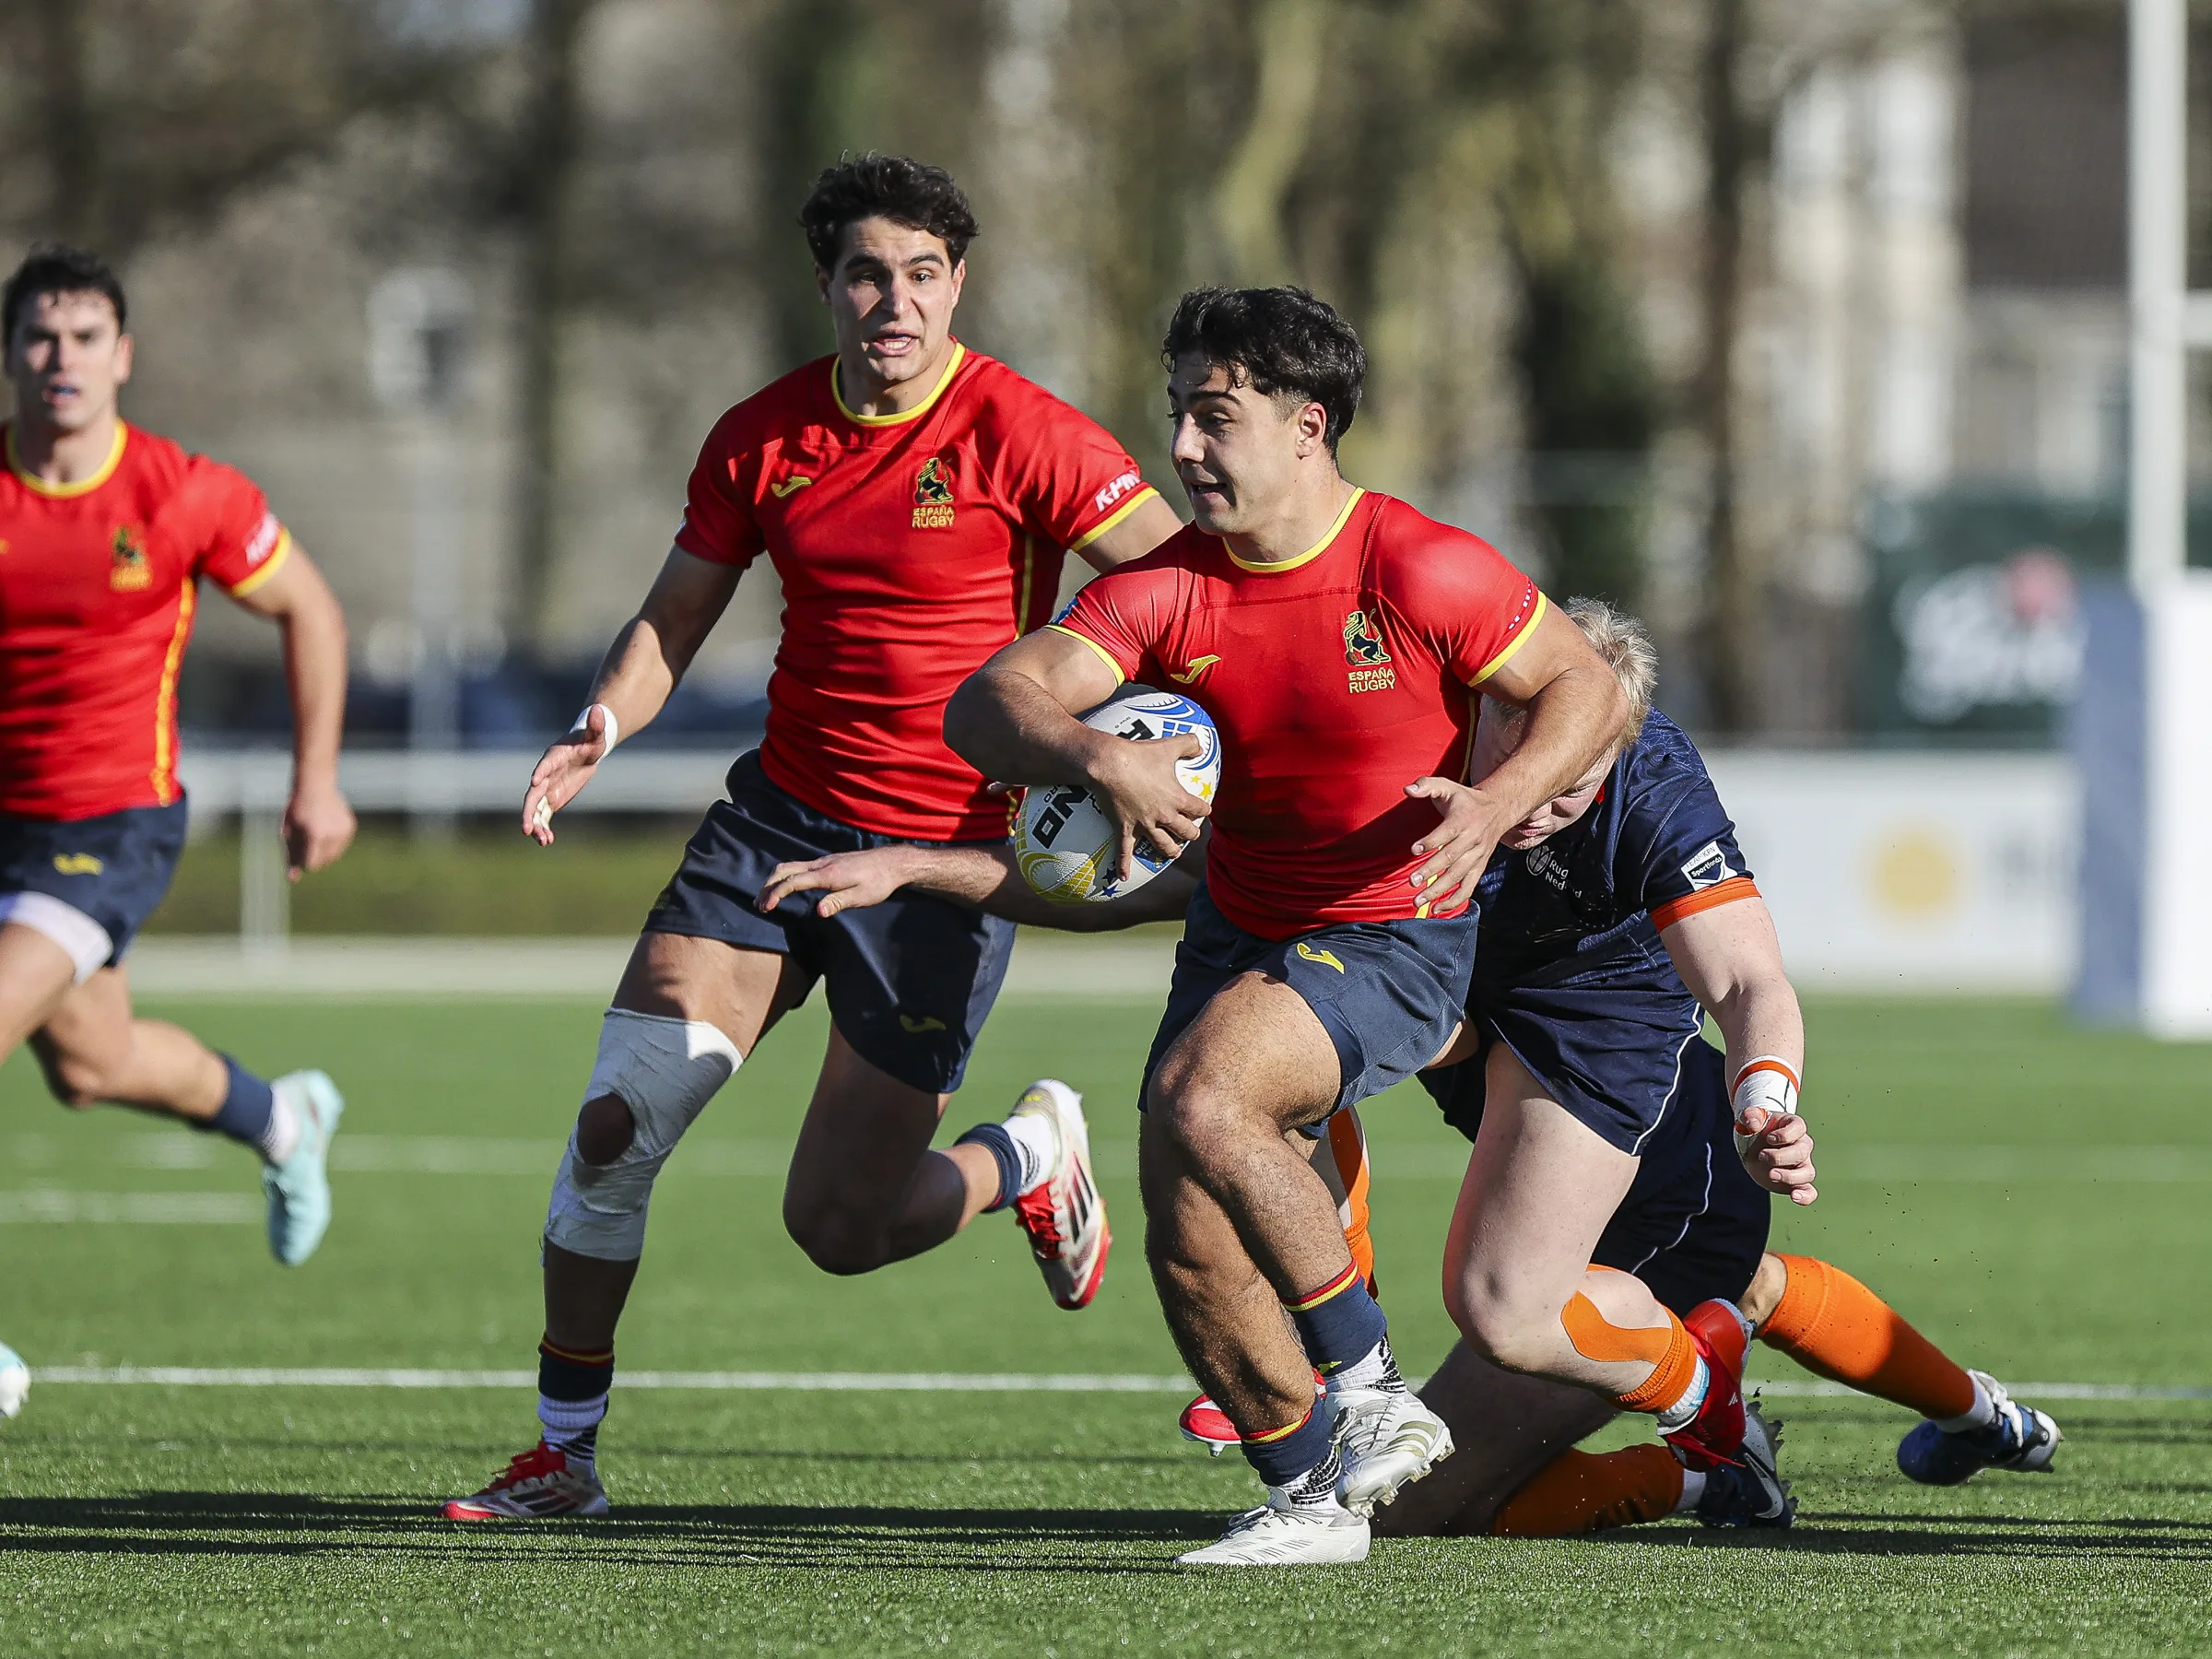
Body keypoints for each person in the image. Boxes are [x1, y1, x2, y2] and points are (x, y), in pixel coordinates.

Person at [764, 600, 2061, 1543]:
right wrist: (918, 865)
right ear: (1494, 698)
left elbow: (1748, 978)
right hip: (1523, 1107)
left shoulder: (1649, 790)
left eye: (1579, 763)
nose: (1546, 792)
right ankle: (1889, 1428)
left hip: (1625, 1112)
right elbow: (1168, 884)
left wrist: (1768, 1088)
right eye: (1526, 740)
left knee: (1575, 1312)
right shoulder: (1404, 755)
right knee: (1439, 1462)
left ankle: (1714, 1439)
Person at [442, 155, 1185, 1522]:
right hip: (774, 825)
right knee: (618, 1123)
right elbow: (675, 618)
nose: (891, 303)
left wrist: (1122, 751)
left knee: (838, 1230)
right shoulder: (760, 435)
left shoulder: (1033, 434)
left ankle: (1024, 1157)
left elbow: (1183, 602)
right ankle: (564, 1451)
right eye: (864, 273)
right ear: (827, 285)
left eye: (920, 274)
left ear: (958, 281)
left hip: (938, 869)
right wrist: (601, 725)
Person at [940, 285, 1630, 1565]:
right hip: (1239, 937)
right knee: (1188, 1234)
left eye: (1215, 417)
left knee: (1207, 1096)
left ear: (1308, 426)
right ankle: (1311, 1500)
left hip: (1391, 935)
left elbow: (1581, 686)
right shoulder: (1166, 593)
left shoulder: (1417, 562)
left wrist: (1494, 804)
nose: (1185, 450)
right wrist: (1097, 752)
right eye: (1178, 419)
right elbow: (987, 704)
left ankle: (1369, 1392)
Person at [0, 243, 355, 1280]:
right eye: (39, 336)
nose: (60, 356)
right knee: (90, 1064)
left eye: (84, 337)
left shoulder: (183, 493)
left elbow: (312, 611)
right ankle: (282, 1120)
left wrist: (316, 780)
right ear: (12, 355)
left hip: (109, 825)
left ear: (123, 356)